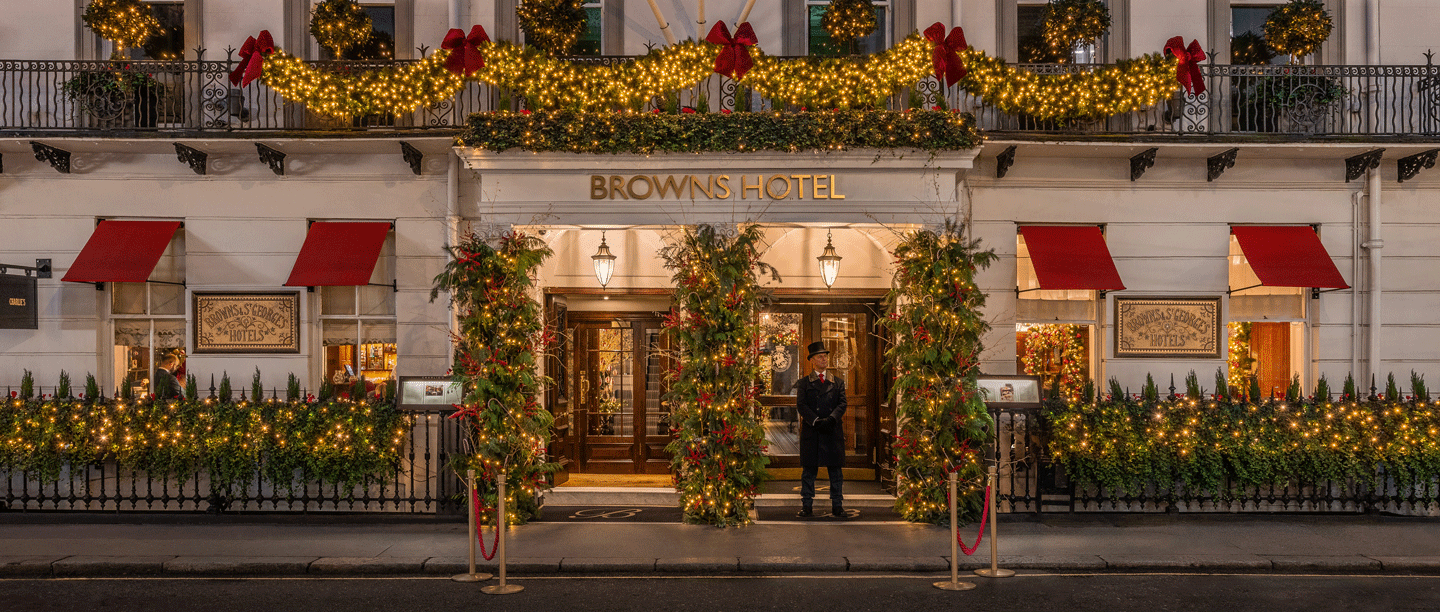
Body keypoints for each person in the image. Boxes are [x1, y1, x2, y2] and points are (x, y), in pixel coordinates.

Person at [796, 340, 847, 518]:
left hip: (832, 431)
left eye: (825, 356)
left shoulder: (838, 382)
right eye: (820, 357)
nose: (824, 359)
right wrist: (815, 420)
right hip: (813, 431)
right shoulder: (803, 383)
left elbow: (842, 404)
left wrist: (831, 419)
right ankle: (807, 505)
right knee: (809, 471)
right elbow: (801, 405)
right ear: (812, 360)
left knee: (835, 471)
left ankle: (837, 505)